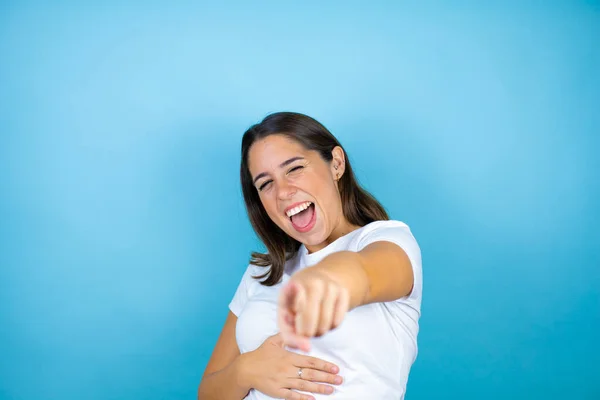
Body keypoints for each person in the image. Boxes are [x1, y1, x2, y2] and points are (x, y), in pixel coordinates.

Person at [198, 112, 422, 400]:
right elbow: (208, 394)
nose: (282, 192)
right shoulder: (264, 270)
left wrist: (325, 280)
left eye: (294, 169)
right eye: (266, 184)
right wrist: (246, 370)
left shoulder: (388, 239)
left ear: (336, 164)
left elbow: (362, 273)